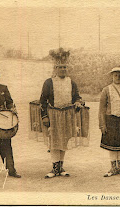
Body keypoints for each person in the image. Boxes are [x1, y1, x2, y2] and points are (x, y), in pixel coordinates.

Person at [40, 48, 83, 178]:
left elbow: (77, 97)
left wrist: (78, 102)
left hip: (67, 114)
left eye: (65, 67)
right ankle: (54, 168)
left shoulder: (72, 82)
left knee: (64, 140)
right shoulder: (49, 82)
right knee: (54, 140)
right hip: (53, 114)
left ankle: (61, 167)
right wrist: (45, 116)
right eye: (60, 67)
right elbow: (42, 100)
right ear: (55, 69)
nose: (63, 70)